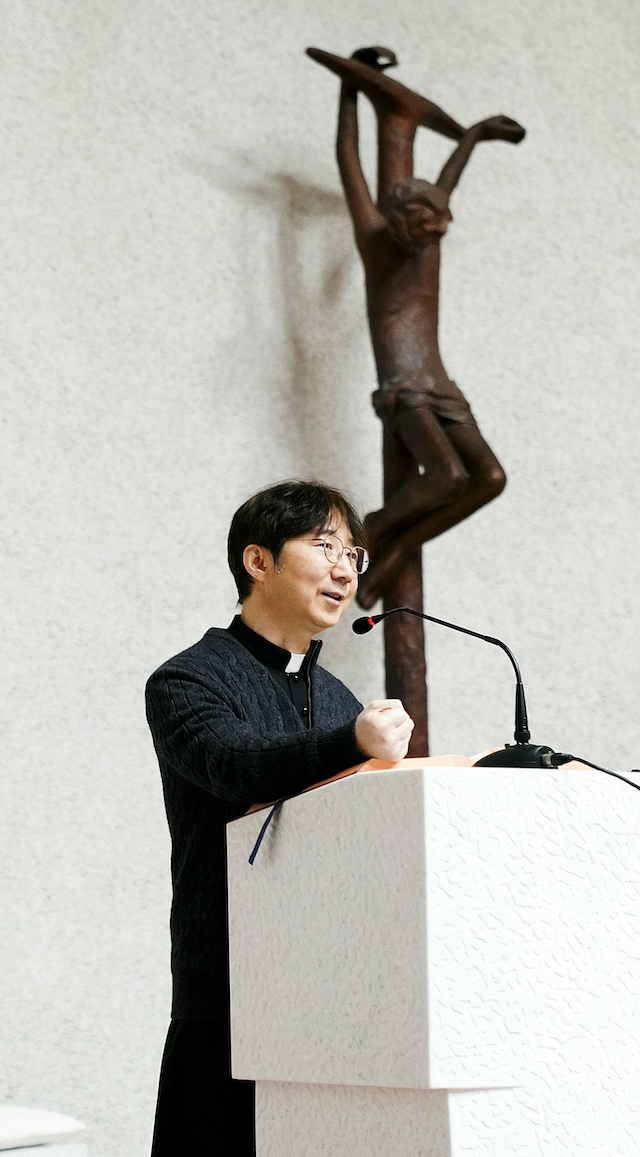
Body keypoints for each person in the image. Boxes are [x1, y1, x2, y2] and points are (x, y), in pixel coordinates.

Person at [145, 479, 414, 1157]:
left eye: (353, 553)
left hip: (330, 997)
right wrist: (352, 742)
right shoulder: (187, 681)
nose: (346, 569)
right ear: (258, 561)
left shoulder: (337, 697)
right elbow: (235, 764)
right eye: (324, 546)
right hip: (227, 998)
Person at [307, 46, 525, 609]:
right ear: (398, 216)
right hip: (404, 387)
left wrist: (475, 135)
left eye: (434, 222)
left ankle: (398, 544)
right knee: (448, 478)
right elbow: (348, 159)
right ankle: (376, 529)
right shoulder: (376, 242)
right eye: (418, 220)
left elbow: (447, 183)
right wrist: (353, 84)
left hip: (440, 384)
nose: (427, 230)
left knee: (491, 479)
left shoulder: (427, 246)